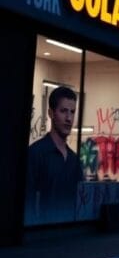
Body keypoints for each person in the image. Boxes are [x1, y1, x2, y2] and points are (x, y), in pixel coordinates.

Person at [26, 86, 84, 223]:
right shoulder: (35, 153)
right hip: (43, 235)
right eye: (63, 111)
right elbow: (27, 203)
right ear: (51, 113)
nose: (69, 118)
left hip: (71, 234)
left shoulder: (74, 159)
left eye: (72, 112)